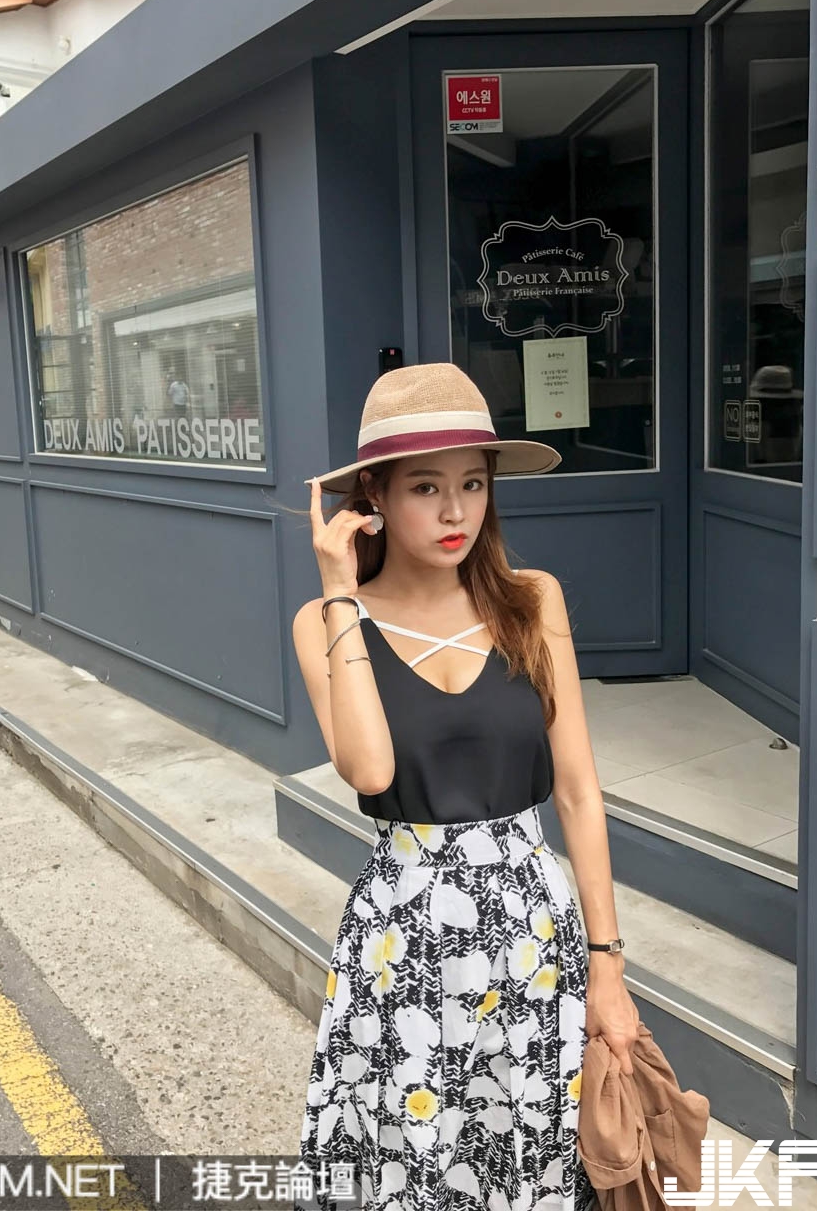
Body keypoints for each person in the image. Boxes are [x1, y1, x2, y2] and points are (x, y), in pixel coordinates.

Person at [291, 362, 638, 1211]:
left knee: (531, 1152)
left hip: (531, 929)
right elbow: (370, 772)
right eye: (426, 487)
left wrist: (607, 966)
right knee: (414, 1161)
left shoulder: (531, 601)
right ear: (373, 496)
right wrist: (340, 594)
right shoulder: (325, 623)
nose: (456, 512)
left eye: (473, 484)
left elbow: (578, 792)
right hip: (403, 936)